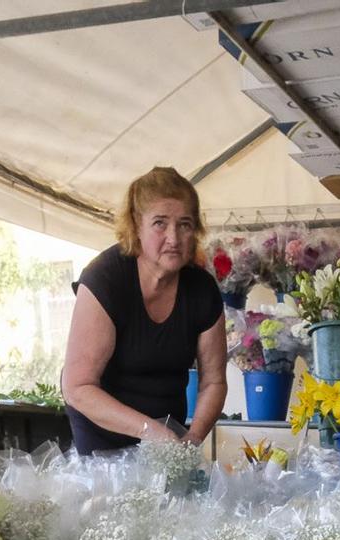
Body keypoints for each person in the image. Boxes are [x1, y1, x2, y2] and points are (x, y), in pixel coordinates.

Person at [62, 167, 226, 455]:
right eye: (160, 224)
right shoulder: (105, 278)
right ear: (136, 226)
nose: (174, 238)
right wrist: (149, 431)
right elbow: (78, 386)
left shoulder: (202, 290)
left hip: (167, 425)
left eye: (185, 224)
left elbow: (213, 381)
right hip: (101, 427)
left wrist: (193, 437)